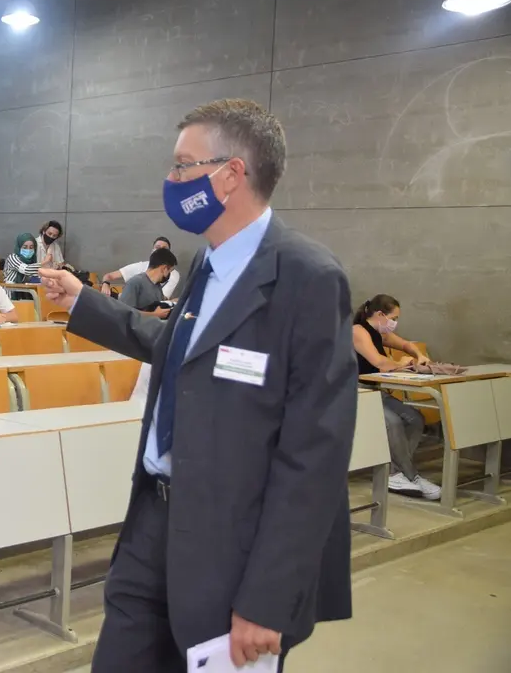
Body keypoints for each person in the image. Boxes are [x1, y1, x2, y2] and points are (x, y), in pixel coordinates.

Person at [40, 99, 355, 672]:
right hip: (154, 524)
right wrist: (85, 304)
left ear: (231, 175)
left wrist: (268, 597)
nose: (171, 179)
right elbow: (181, 354)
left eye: (183, 166)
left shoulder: (306, 278)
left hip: (235, 544)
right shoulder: (207, 264)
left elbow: (316, 455)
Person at [353, 294, 440, 500]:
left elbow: (407, 345)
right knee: (393, 422)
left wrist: (418, 356)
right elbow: (381, 363)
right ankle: (408, 475)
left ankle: (397, 471)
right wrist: (403, 363)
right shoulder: (358, 331)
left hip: (374, 390)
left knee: (415, 419)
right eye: (394, 318)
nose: (395, 324)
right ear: (381, 315)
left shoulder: (380, 333)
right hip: (355, 392)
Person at [101, 236, 181, 299]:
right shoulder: (136, 279)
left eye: (164, 249)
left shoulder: (171, 275)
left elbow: (161, 299)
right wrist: (106, 284)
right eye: (157, 247)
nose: (160, 251)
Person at [118, 247, 178, 319]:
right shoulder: (135, 283)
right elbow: (124, 313)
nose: (169, 275)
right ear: (164, 268)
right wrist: (154, 315)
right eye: (169, 271)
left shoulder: (157, 287)